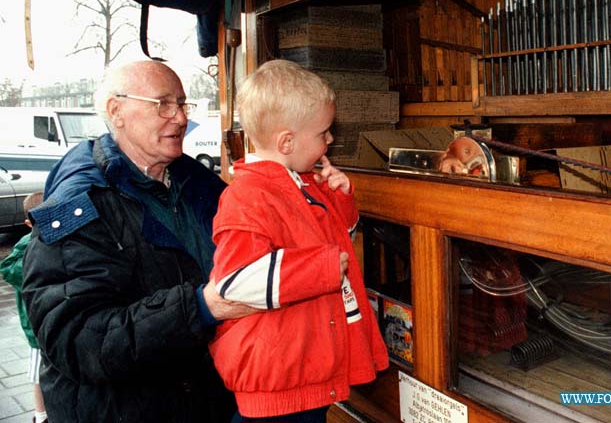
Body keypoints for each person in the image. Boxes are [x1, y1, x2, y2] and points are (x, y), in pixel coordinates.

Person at [21, 60, 260, 423]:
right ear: (116, 111)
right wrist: (199, 307)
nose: (180, 118)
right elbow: (77, 339)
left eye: (182, 104)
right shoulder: (79, 204)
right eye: (163, 104)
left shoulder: (196, 180)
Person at [209, 59, 389, 423]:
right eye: (323, 132)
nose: (331, 140)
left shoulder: (301, 182)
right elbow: (234, 281)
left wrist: (341, 201)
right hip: (279, 380)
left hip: (303, 368)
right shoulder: (247, 195)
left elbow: (335, 244)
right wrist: (319, 268)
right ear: (287, 141)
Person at [0, 191, 47, 423]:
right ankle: (40, 415)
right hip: (35, 326)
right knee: (38, 374)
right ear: (29, 224)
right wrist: (37, 272)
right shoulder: (27, 242)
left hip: (53, 322)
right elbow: (8, 267)